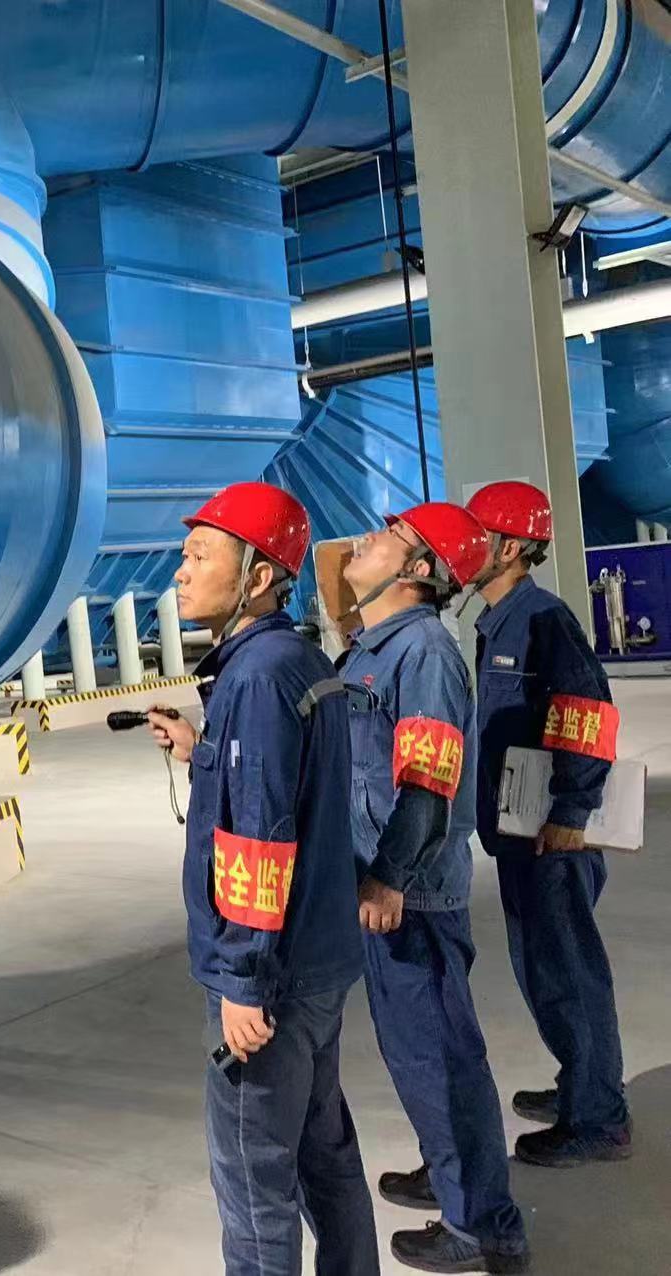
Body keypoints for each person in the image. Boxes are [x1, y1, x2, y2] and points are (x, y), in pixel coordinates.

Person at [146, 482, 377, 1276]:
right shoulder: (295, 661)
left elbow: (260, 835)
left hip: (271, 980)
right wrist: (202, 750)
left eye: (199, 556)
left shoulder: (254, 679)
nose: (181, 572)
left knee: (254, 1185)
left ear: (258, 577)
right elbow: (283, 793)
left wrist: (243, 979)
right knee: (323, 1153)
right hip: (318, 960)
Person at [337, 503, 529, 1274]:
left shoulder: (423, 655)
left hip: (409, 895)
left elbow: (428, 781)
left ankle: (481, 1226)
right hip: (386, 887)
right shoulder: (375, 649)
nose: (366, 541)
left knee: (443, 1060)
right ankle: (446, 1170)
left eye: (390, 538)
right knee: (418, 1054)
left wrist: (390, 877)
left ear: (418, 572)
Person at [467, 479, 630, 1167]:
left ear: (509, 548)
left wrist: (570, 811)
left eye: (476, 537)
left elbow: (590, 712)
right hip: (518, 828)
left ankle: (598, 1119)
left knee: (568, 974)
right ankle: (581, 1084)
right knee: (542, 971)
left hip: (548, 833)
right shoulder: (498, 622)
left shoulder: (542, 619)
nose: (463, 549)